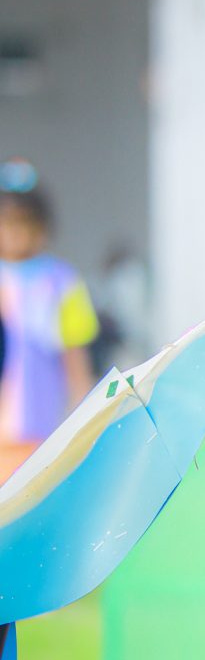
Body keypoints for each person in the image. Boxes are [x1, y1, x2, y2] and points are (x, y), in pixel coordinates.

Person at [0, 161, 98, 483]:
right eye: (6, 220)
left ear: (42, 226)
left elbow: (76, 363)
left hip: (42, 437)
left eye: (24, 221)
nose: (14, 230)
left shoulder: (62, 282)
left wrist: (85, 421)